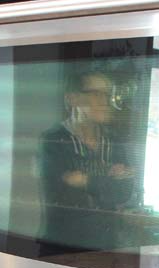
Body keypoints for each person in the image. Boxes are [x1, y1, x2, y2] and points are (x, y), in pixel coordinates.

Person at [40, 68, 136, 253]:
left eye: (109, 94)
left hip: (106, 250)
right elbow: (64, 194)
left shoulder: (113, 142)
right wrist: (108, 181)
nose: (107, 101)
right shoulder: (53, 141)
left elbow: (124, 192)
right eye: (97, 94)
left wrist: (85, 180)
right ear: (72, 99)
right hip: (61, 253)